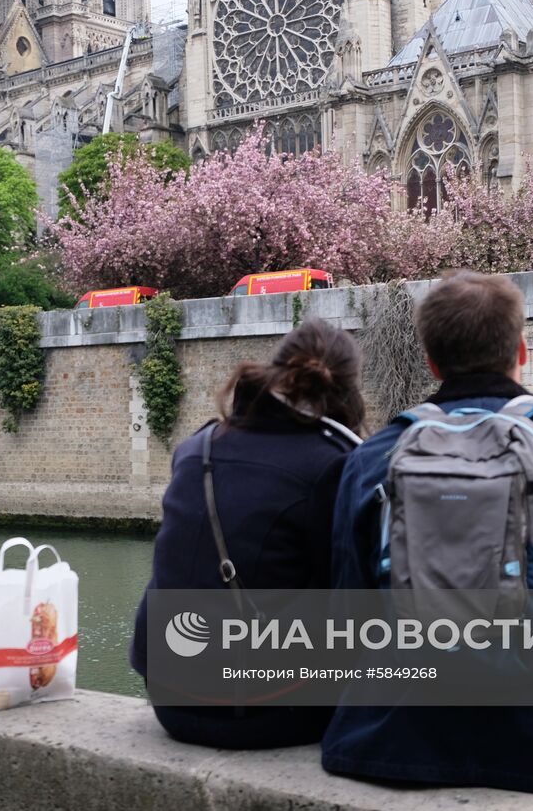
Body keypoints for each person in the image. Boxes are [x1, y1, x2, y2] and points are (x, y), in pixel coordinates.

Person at [322, 271, 533, 793]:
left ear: (430, 361)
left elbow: (349, 616)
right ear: (520, 350)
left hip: (395, 741)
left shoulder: (372, 458)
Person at [130, 318, 366, 749]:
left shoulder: (195, 449)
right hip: (266, 710)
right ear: (349, 391)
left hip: (169, 699)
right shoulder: (332, 463)